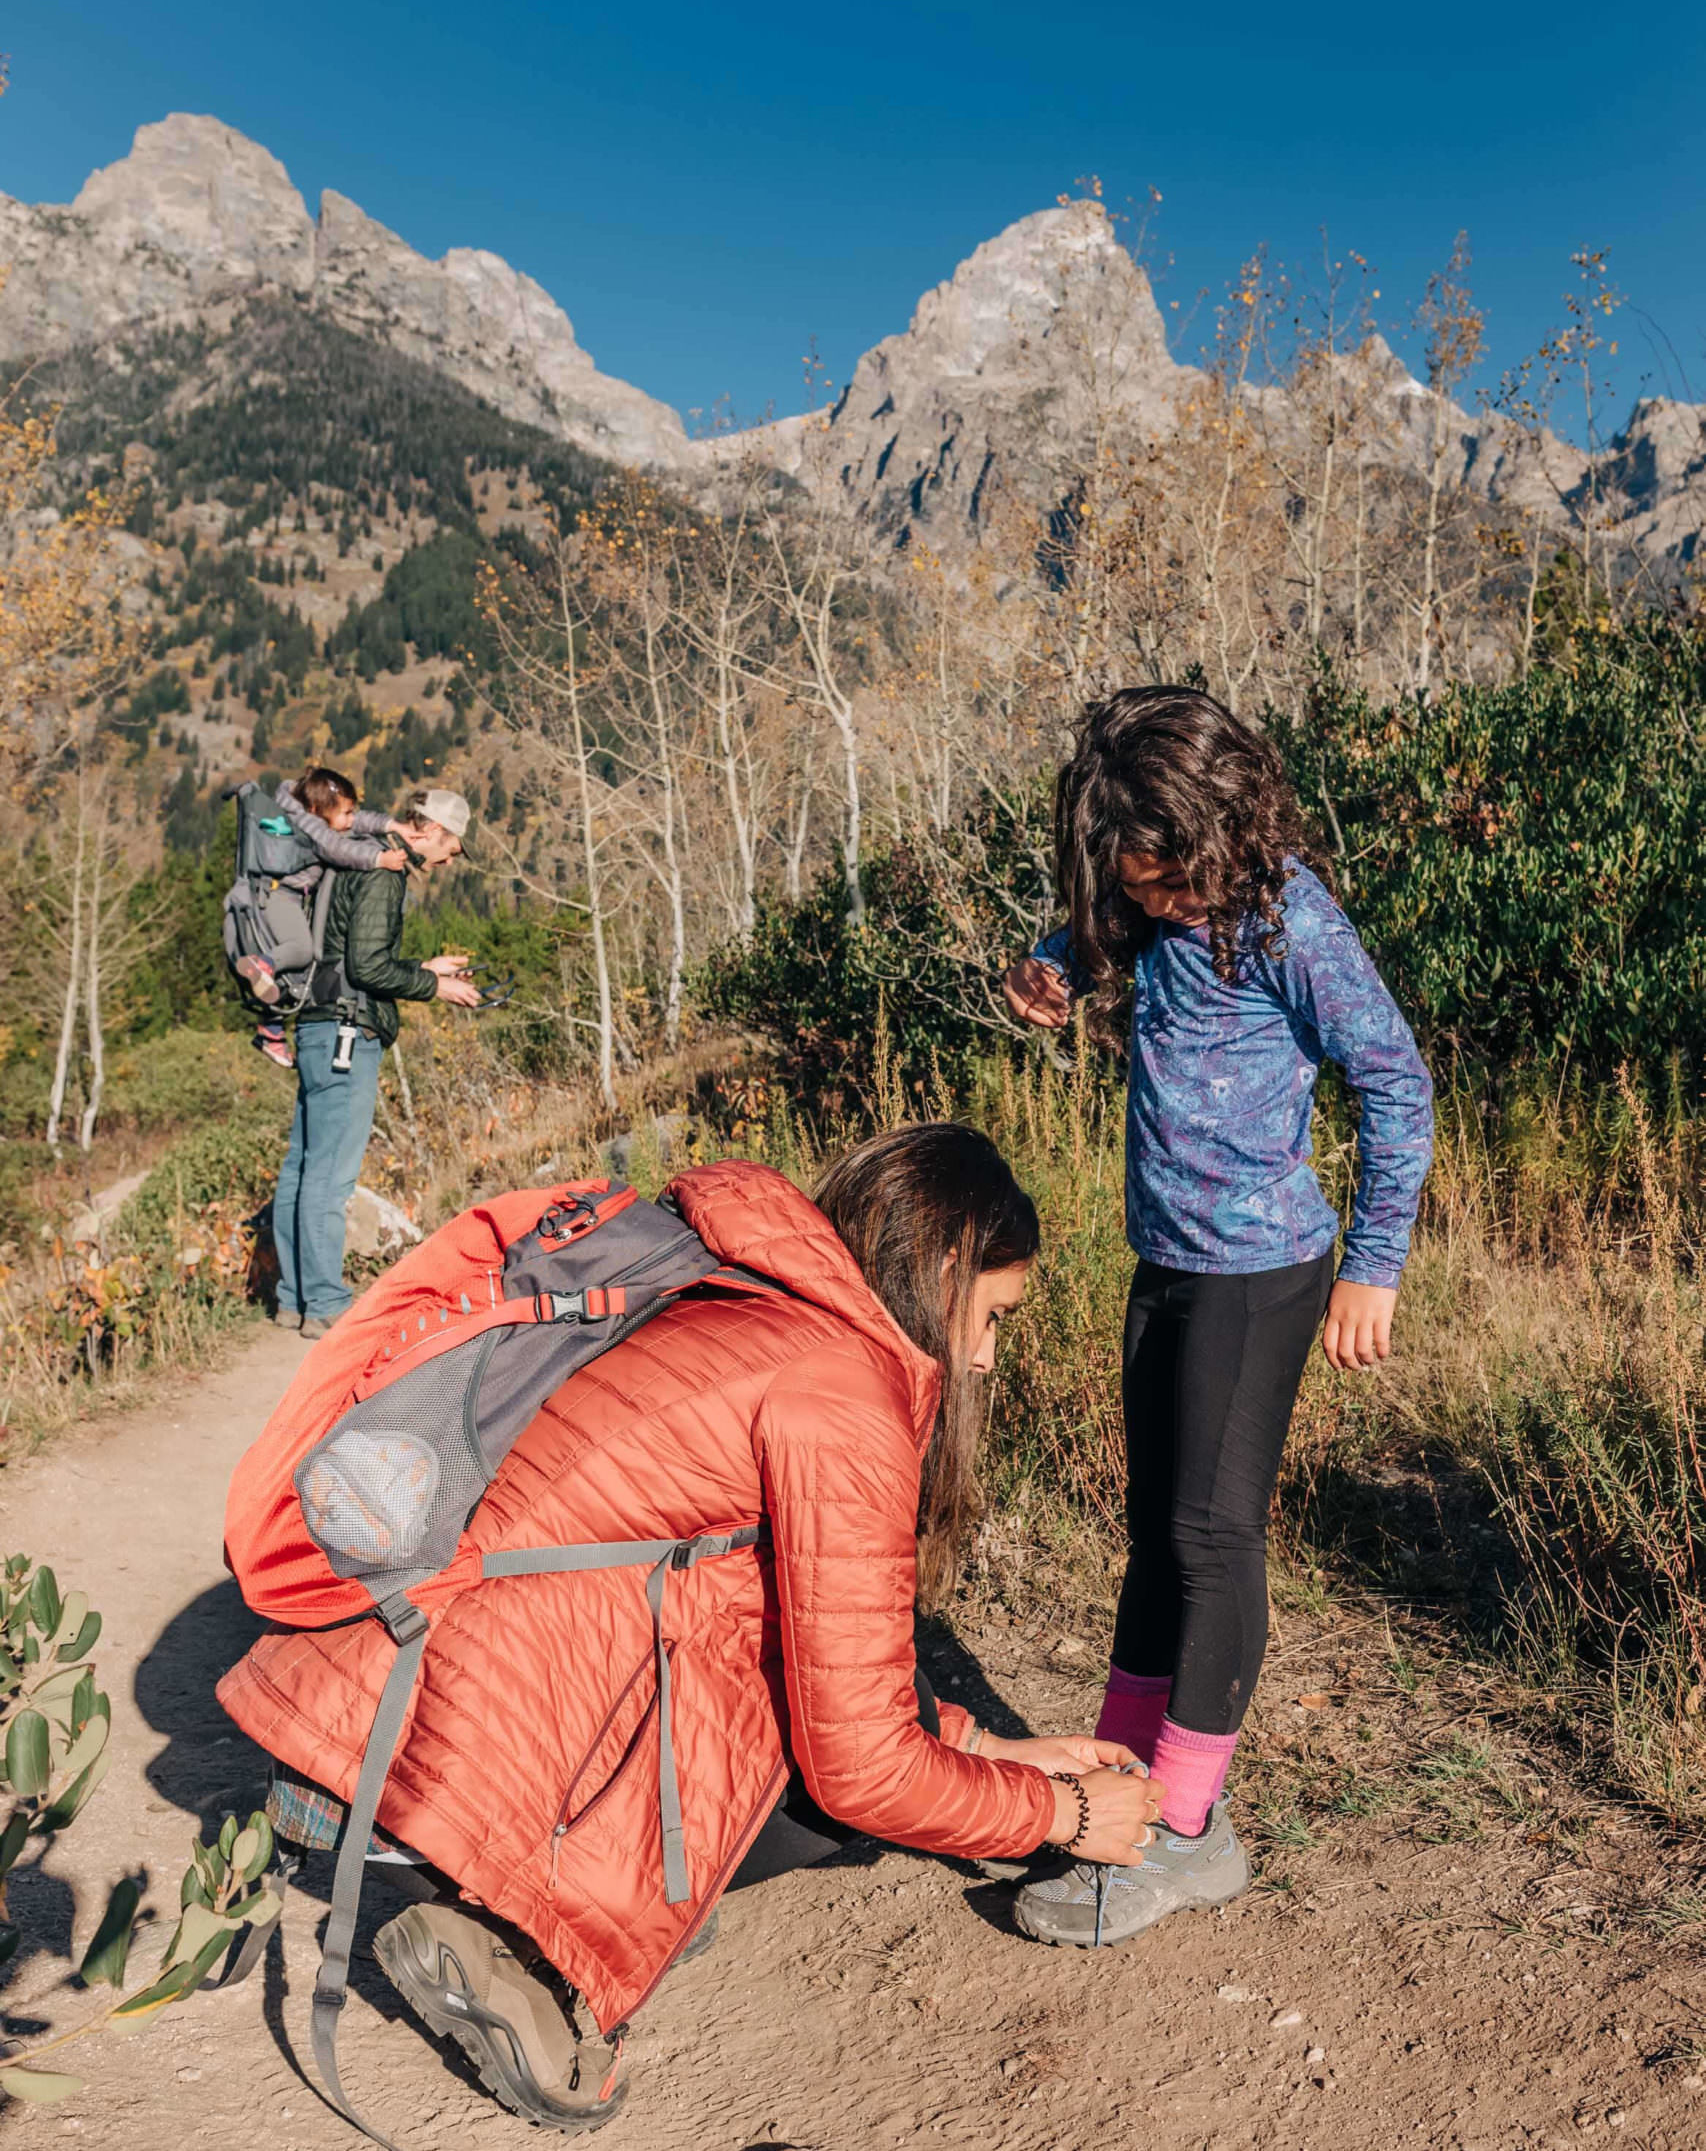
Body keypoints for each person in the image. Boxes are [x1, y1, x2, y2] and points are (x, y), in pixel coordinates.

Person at [217, 1126, 1163, 2129]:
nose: (979, 1356)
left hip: (372, 1680)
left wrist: (997, 1748)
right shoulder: (839, 1393)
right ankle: (515, 1932)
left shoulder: (745, 1299)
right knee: (811, 1792)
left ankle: (377, 1817)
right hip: (452, 1732)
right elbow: (856, 1762)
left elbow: (816, 1633)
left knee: (769, 1662)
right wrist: (1058, 1816)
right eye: (992, 1316)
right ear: (941, 1268)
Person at [1000, 687, 1434, 1949]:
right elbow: (1092, 943)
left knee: (1209, 1534)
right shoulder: (1137, 907)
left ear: (1221, 831)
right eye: (1127, 884)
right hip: (1167, 1261)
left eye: (1166, 881)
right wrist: (1052, 967)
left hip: (1265, 1272)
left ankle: (1188, 1835)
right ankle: (1119, 1801)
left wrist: (1374, 1264)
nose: (1149, 903)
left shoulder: (1289, 918)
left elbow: (1396, 1083)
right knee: (1152, 1535)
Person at [275, 786, 482, 1339]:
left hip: (317, 1023)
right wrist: (432, 985)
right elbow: (367, 969)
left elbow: (352, 953)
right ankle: (324, 1303)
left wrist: (420, 965)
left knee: (302, 1164)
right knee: (330, 1173)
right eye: (453, 848)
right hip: (348, 1030)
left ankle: (294, 1298)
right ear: (433, 830)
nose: (449, 861)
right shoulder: (385, 871)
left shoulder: (356, 852)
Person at [234, 765, 412, 1069]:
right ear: (317, 810)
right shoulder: (311, 826)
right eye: (345, 813)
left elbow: (356, 823)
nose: (350, 819)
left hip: (281, 896)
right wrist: (379, 859)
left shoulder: (314, 815)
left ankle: (270, 1030)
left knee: (296, 978)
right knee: (301, 950)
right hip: (279, 897)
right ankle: (263, 964)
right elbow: (336, 848)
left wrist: (393, 825)